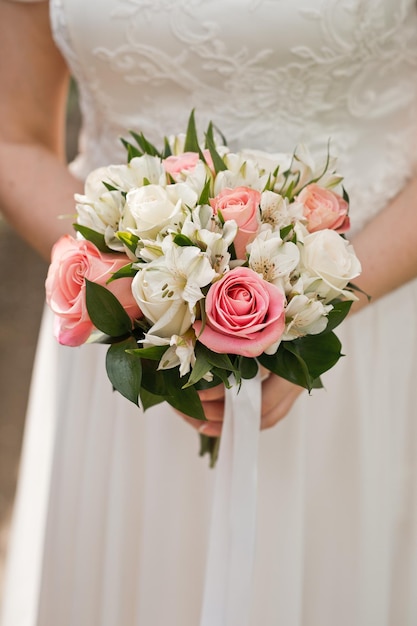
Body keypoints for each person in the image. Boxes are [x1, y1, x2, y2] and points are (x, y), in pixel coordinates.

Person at [1, 0, 417, 624]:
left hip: (362, 328)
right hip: (131, 347)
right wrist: (141, 290)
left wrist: (315, 305)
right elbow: (13, 137)